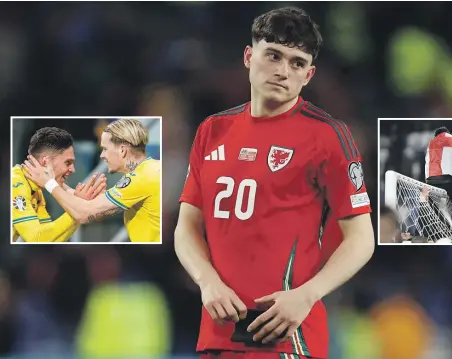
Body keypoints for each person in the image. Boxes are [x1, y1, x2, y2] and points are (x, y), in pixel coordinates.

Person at [174, 7, 374, 359]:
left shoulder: (327, 136)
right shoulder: (212, 130)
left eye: (297, 63)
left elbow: (362, 239)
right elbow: (186, 227)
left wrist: (307, 295)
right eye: (274, 55)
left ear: (309, 75)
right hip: (217, 336)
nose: (283, 70)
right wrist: (207, 282)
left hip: (289, 337)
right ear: (249, 57)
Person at [23, 118, 161, 243]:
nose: (102, 155)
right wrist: (57, 183)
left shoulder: (140, 179)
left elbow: (84, 213)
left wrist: (48, 183)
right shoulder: (146, 172)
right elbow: (95, 206)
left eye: (105, 149)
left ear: (123, 150)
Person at [12, 127, 106, 242]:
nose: (73, 169)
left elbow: (49, 238)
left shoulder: (36, 191)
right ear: (45, 162)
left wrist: (77, 210)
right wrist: (76, 210)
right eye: (68, 162)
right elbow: (36, 238)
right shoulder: (16, 184)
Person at [425, 127, 452, 242]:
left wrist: (427, 182)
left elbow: (427, 163)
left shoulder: (430, 143)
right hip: (448, 180)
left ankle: (443, 233)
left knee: (432, 210)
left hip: (431, 181)